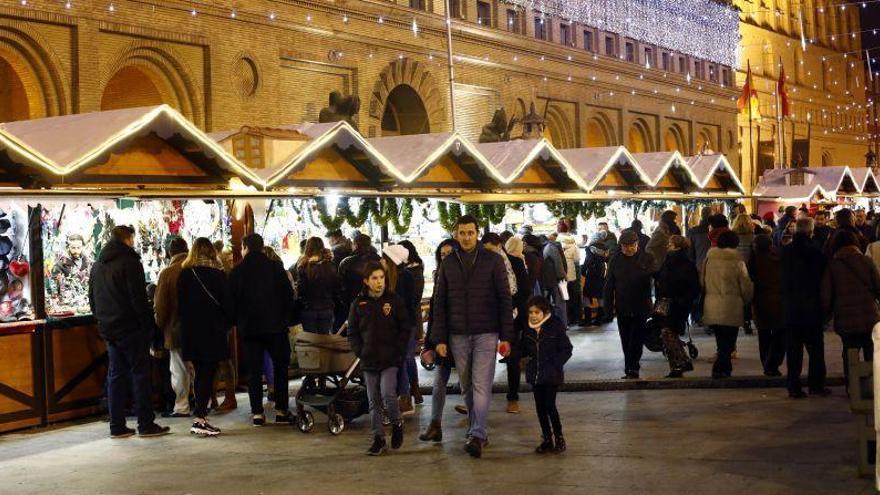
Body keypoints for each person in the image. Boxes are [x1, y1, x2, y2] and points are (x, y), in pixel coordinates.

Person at [432, 215, 514, 458]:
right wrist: (439, 339)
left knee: (480, 384)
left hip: (486, 332)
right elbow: (440, 302)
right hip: (457, 334)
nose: (466, 237)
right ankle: (476, 431)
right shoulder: (448, 263)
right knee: (467, 386)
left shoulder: (493, 260)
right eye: (462, 233)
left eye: (470, 232)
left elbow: (504, 299)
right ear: (455, 234)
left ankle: (477, 433)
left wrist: (506, 336)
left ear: (477, 234)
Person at [89, 225, 169, 438]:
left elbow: (92, 300)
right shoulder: (130, 263)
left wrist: (102, 322)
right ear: (128, 239)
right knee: (140, 375)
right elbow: (138, 300)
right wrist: (147, 327)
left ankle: (117, 425)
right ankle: (145, 423)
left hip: (109, 329)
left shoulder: (97, 265)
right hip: (131, 328)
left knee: (115, 376)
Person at [229, 233, 296, 426]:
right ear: (261, 246)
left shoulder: (237, 272)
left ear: (245, 247)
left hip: (250, 329)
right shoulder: (276, 268)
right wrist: (284, 319)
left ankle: (257, 413)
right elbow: (288, 296)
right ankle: (282, 410)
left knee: (254, 371)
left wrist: (238, 322)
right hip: (276, 327)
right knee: (281, 368)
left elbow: (230, 302)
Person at [348, 261, 409, 456]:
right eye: (374, 278)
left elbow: (404, 328)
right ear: (366, 281)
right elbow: (353, 332)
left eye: (381, 277)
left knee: (388, 394)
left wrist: (399, 350)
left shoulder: (394, 301)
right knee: (373, 400)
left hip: (390, 359)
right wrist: (360, 351)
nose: (379, 282)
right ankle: (378, 438)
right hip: (369, 360)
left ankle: (397, 423)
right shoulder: (358, 304)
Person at [177, 238, 231, 436]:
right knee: (208, 374)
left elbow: (180, 307)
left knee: (200, 373)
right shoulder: (218, 276)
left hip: (191, 332)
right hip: (213, 331)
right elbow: (228, 305)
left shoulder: (184, 275)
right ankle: (199, 418)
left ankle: (200, 416)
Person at [822, 230, 880, 387]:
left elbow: (827, 294)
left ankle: (852, 387)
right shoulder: (866, 261)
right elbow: (878, 286)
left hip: (846, 319)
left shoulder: (833, 266)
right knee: (872, 353)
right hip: (869, 317)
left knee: (849, 353)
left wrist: (826, 315)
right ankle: (873, 386)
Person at [419, 239, 461, 443]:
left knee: (470, 385)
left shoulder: (465, 277)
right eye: (442, 254)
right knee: (438, 383)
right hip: (443, 339)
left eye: (449, 253)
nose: (446, 257)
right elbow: (436, 312)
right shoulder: (438, 276)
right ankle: (435, 424)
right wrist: (429, 342)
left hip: (462, 337)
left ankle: (477, 427)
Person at [781, 218, 829, 398]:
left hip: (791, 307)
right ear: (811, 231)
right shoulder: (816, 253)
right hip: (811, 307)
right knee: (816, 350)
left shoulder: (785, 252)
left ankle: (794, 386)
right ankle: (816, 384)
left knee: (794, 351)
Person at [523, 295, 573, 454]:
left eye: (536, 312)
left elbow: (567, 349)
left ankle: (559, 437)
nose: (533, 315)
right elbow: (522, 348)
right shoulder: (528, 328)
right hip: (535, 375)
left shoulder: (555, 325)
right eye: (530, 312)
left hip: (551, 375)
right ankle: (546, 438)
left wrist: (555, 364)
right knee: (540, 408)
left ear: (544, 312)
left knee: (550, 405)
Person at [603, 230, 654, 379]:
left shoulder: (647, 259)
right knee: (625, 339)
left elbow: (656, 279)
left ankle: (634, 368)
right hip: (622, 306)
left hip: (641, 306)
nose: (629, 249)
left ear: (637, 244)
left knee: (636, 339)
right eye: (625, 246)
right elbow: (608, 285)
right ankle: (629, 367)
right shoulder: (615, 260)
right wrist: (607, 309)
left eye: (631, 245)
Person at [702, 230, 753, 379]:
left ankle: (724, 368)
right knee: (729, 341)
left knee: (721, 339)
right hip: (732, 305)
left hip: (712, 303)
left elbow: (702, 281)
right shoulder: (737, 261)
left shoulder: (709, 258)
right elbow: (745, 284)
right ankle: (720, 368)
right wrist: (747, 299)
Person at [153, 237, 191, 418]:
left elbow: (161, 306)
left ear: (170, 252)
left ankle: (182, 406)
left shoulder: (168, 273)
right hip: (199, 326)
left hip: (176, 328)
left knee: (179, 370)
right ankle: (203, 402)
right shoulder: (195, 267)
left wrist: (160, 326)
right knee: (198, 366)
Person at [381, 244, 418, 417]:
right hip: (398, 326)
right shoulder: (390, 278)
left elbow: (405, 304)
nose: (381, 261)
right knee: (401, 360)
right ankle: (405, 396)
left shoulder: (404, 277)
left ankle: (406, 398)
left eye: (384, 257)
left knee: (403, 360)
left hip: (404, 326)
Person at [655, 235, 699, 378]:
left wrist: (683, 300)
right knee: (668, 332)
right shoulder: (674, 260)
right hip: (669, 302)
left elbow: (690, 285)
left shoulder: (679, 262)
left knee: (668, 331)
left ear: (676, 246)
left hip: (675, 303)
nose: (668, 245)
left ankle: (680, 363)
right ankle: (680, 363)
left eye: (670, 244)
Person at [748, 234, 785, 376]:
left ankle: (767, 363)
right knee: (780, 334)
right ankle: (773, 363)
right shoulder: (778, 258)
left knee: (763, 335)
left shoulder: (753, 262)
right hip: (779, 301)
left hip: (760, 302)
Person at [503, 235, 531, 414]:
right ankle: (512, 397)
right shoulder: (519, 263)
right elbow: (525, 292)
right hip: (513, 318)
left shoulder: (512, 262)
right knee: (513, 358)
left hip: (507, 317)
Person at [397, 240, 425, 406]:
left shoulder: (409, 273)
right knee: (408, 357)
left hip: (409, 320)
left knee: (406, 357)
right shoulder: (415, 270)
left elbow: (413, 298)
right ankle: (414, 389)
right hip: (412, 318)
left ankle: (410, 391)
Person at [295, 237, 341, 334]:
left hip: (309, 309)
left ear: (307, 248)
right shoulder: (330, 265)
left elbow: (301, 290)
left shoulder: (303, 266)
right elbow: (336, 287)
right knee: (325, 342)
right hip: (327, 307)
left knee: (311, 343)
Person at [339, 234, 381, 328]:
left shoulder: (346, 262)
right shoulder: (379, 261)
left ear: (356, 245)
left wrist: (347, 303)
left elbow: (342, 286)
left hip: (354, 302)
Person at [557, 223, 582, 328]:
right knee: (573, 296)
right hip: (571, 274)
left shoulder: (557, 242)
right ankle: (575, 318)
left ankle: (566, 319)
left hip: (561, 274)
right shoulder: (573, 243)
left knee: (564, 298)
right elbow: (577, 259)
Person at [581, 232, 609, 326]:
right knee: (600, 296)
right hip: (601, 276)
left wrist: (583, 271)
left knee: (586, 296)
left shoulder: (591, 250)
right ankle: (599, 319)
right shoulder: (605, 248)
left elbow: (586, 263)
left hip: (591, 277)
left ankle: (588, 320)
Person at [542, 233, 568, 326]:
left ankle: (562, 324)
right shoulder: (551, 247)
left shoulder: (549, 248)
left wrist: (563, 276)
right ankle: (562, 324)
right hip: (558, 279)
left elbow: (558, 265)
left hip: (558, 280)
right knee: (561, 302)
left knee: (560, 303)